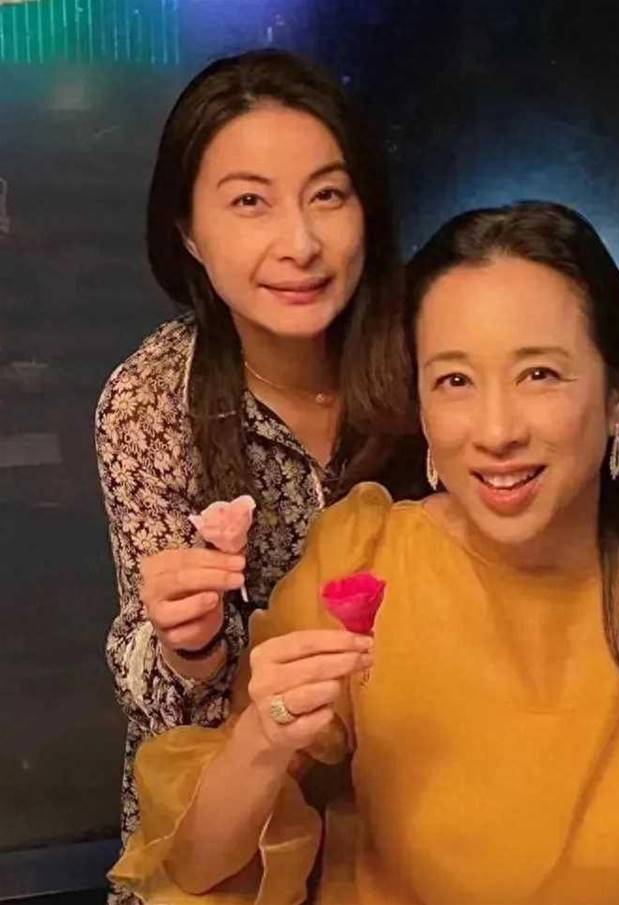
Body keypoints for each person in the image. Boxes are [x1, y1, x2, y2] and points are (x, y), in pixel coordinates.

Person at [110, 202, 619, 905]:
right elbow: (201, 865)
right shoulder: (363, 567)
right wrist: (262, 740)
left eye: (539, 374)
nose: (496, 431)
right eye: (455, 380)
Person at [94, 48, 419, 895]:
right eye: (249, 202)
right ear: (188, 233)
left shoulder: (434, 359)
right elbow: (164, 714)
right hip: (229, 811)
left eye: (328, 195)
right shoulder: (152, 400)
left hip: (415, 782)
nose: (300, 244)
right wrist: (190, 643)